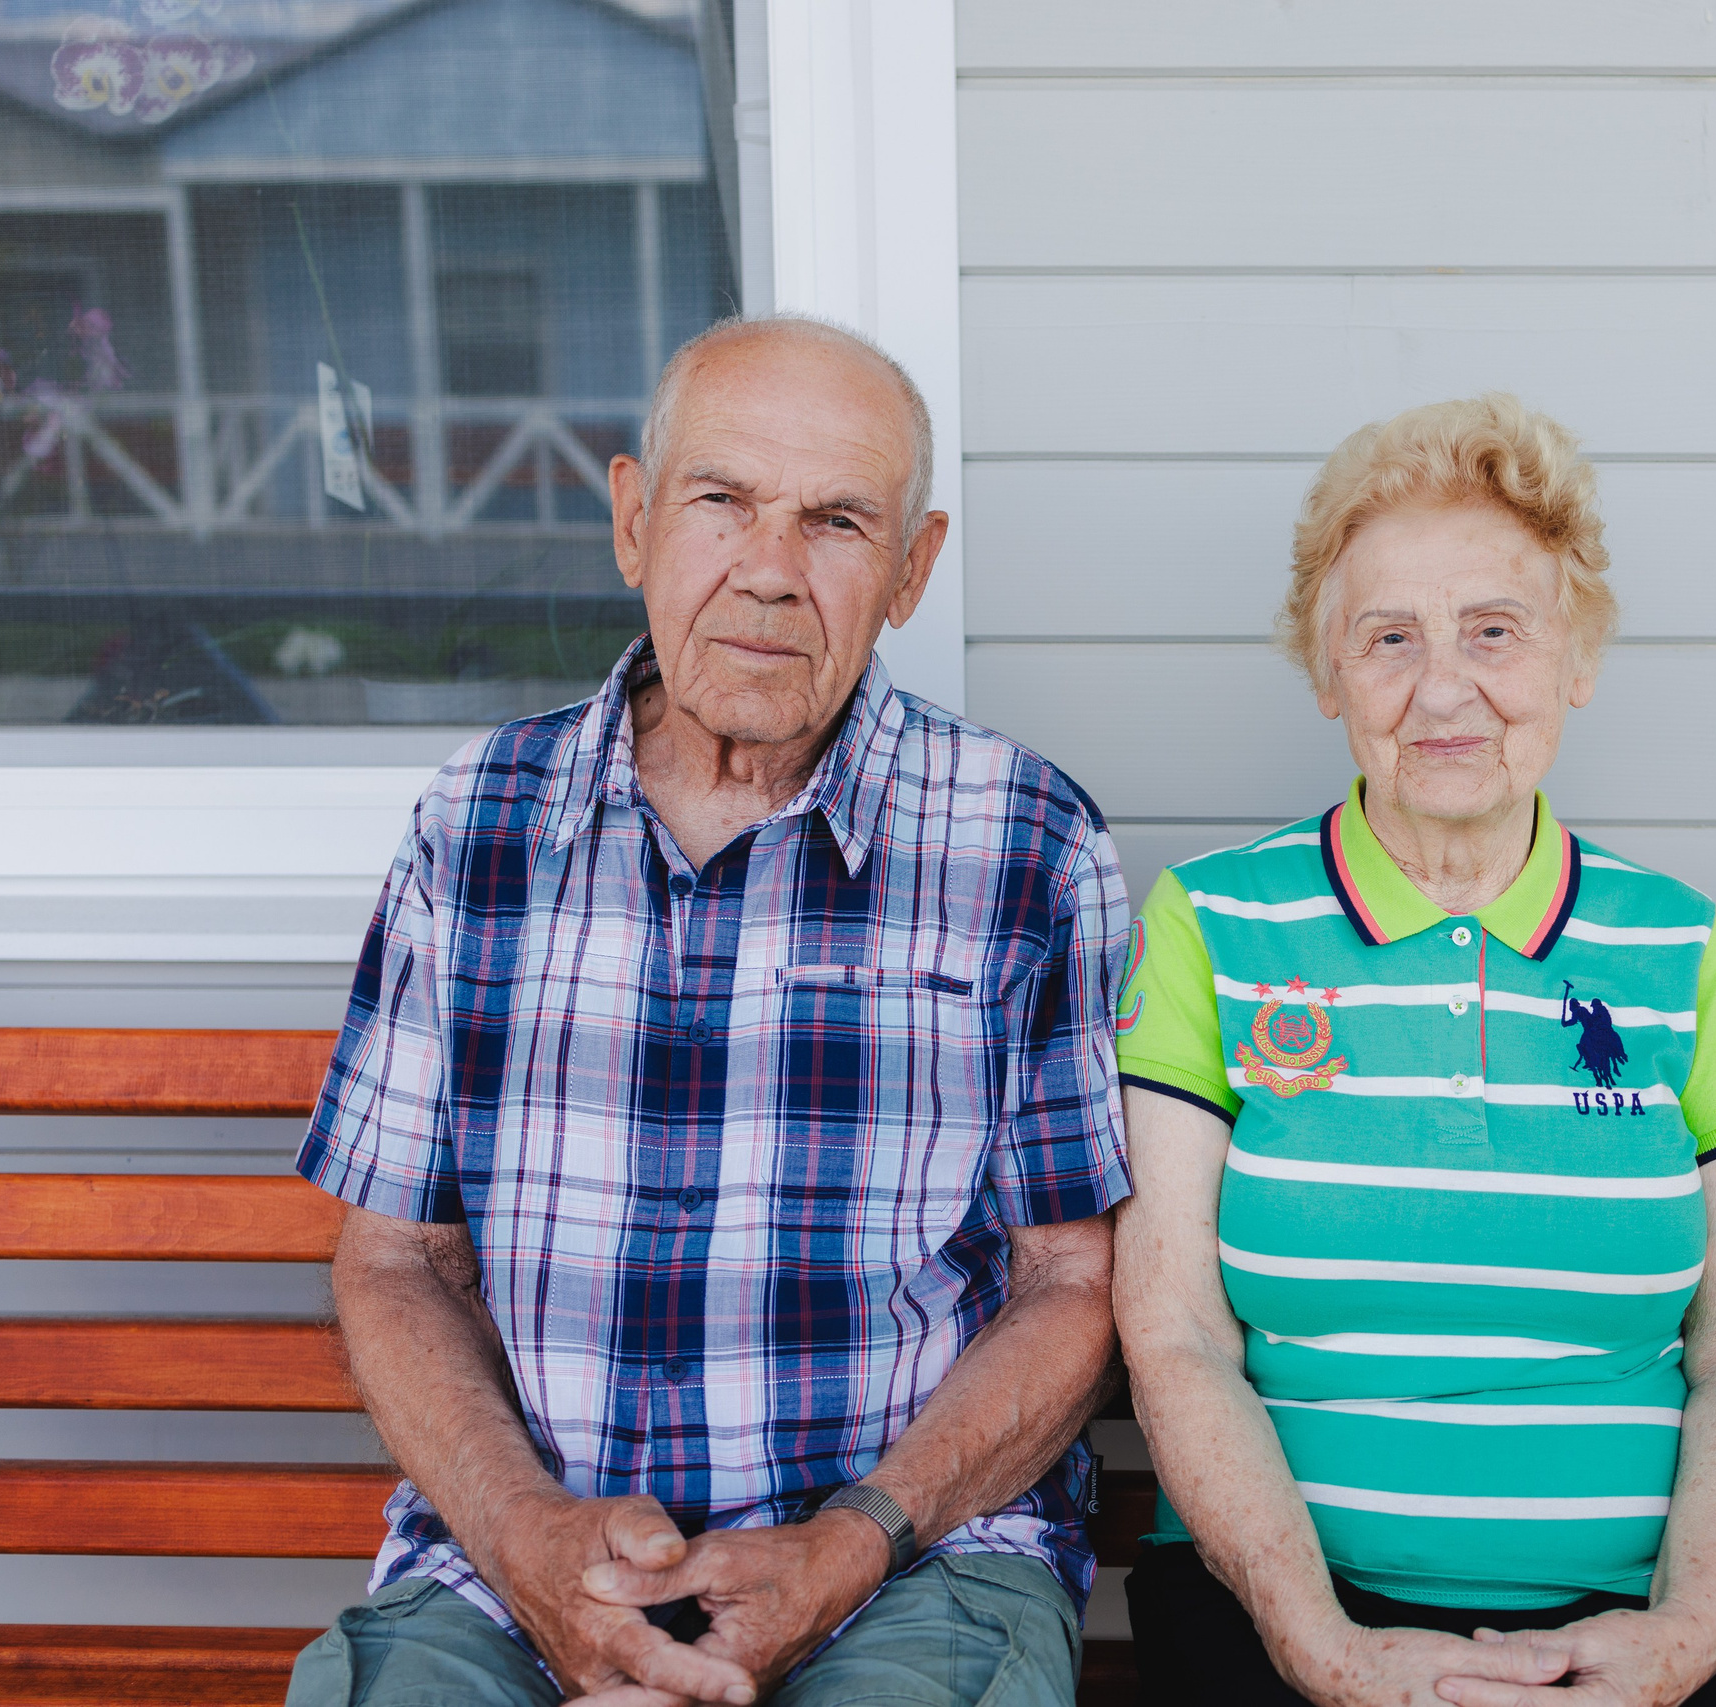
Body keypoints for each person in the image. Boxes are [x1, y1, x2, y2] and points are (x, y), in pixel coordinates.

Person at [288, 315, 1131, 1707]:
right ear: (633, 522)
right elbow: (397, 1267)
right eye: (721, 501)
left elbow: (1071, 1286)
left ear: (912, 569)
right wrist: (528, 1542)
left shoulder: (1026, 842)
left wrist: (848, 1545)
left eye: (839, 523)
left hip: (912, 1565)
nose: (769, 573)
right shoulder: (476, 824)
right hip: (522, 1560)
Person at [1110, 394, 1716, 1707]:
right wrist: (1319, 1643)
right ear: (1327, 673)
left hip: (1639, 1614)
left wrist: (1685, 1632)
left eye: (1495, 631)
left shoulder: (1680, 948)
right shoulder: (1210, 927)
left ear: (1574, 659)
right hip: (1284, 1614)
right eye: (1389, 639)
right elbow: (1177, 1336)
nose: (1445, 688)